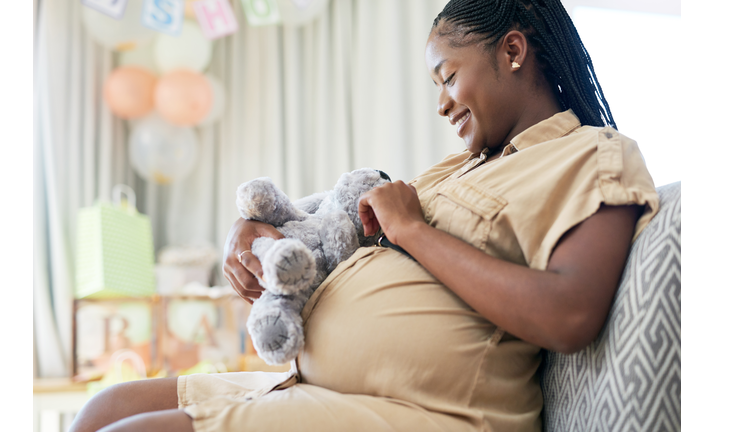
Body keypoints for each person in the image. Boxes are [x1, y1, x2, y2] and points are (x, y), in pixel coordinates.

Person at [69, 0, 659, 431]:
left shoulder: (592, 154)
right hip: (320, 386)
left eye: (448, 76)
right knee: (101, 410)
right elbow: (325, 221)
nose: (441, 103)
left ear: (511, 50)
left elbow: (570, 313)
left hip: (423, 414)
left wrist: (411, 230)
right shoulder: (456, 169)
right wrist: (250, 234)